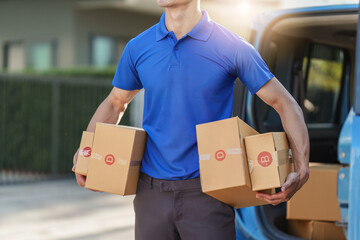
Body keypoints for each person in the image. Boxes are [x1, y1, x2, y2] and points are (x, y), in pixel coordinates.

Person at [72, 0, 310, 239]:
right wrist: (87, 149)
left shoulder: (232, 47)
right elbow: (116, 102)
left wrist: (301, 169)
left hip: (210, 194)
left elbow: (284, 103)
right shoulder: (138, 47)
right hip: (150, 194)